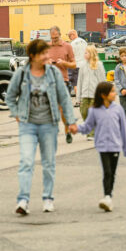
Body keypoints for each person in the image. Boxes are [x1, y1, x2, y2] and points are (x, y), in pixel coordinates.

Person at [6, 38, 78, 215]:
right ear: (33, 56)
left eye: (47, 53)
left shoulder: (53, 73)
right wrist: (16, 113)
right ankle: (23, 200)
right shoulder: (22, 74)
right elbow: (9, 96)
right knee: (26, 161)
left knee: (48, 163)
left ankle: (48, 198)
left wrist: (71, 121)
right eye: (43, 53)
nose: (48, 56)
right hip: (27, 125)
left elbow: (64, 98)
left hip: (49, 125)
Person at [71, 80, 126, 212]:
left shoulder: (118, 109)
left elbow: (123, 130)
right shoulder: (94, 110)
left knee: (112, 173)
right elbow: (87, 127)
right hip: (102, 146)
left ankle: (109, 195)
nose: (114, 94)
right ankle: (107, 196)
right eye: (112, 92)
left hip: (115, 146)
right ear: (103, 95)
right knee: (107, 172)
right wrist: (76, 129)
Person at [76, 45, 107, 127]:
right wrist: (78, 97)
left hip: (95, 95)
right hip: (84, 94)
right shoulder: (82, 66)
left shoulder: (99, 65)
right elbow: (80, 81)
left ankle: (92, 132)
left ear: (92, 54)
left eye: (86, 53)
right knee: (84, 112)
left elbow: (102, 81)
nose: (84, 54)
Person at [67, 29, 87, 103]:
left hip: (76, 65)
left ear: (73, 35)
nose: (69, 38)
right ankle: (84, 99)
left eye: (69, 36)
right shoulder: (84, 42)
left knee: (75, 84)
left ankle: (79, 101)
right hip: (84, 65)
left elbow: (70, 55)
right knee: (82, 83)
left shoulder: (72, 44)